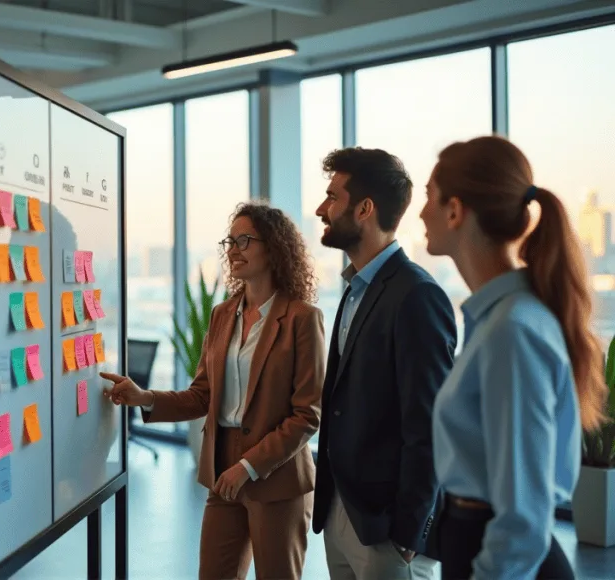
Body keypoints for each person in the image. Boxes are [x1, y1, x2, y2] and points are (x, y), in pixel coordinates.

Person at [102, 202, 325, 580]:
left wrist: (249, 466)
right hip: (222, 467)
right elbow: (202, 395)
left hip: (277, 475)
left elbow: (307, 415)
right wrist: (145, 398)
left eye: (244, 240)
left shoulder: (302, 318)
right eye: (229, 241)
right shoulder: (223, 314)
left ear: (273, 248)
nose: (233, 250)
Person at [420, 135, 607, 580]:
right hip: (477, 543)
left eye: (429, 197)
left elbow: (524, 514)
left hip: (502, 559)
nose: (421, 212)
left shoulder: (512, 331)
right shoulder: (499, 320)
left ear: (454, 210)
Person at [312, 147, 457, 580]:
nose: (321, 209)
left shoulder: (417, 295)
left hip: (389, 532)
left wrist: (410, 531)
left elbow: (430, 425)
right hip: (342, 512)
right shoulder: (355, 288)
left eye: (332, 197)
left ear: (365, 209)